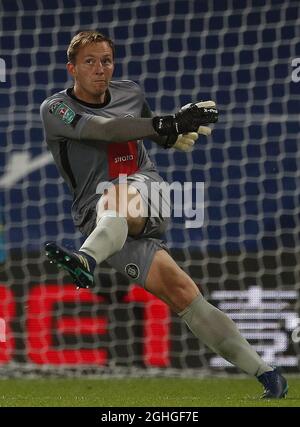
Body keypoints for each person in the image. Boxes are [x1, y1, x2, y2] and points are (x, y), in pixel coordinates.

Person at [40, 30, 288, 399]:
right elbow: (107, 130)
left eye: (106, 60)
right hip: (99, 219)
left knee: (119, 193)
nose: (100, 68)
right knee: (183, 293)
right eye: (90, 61)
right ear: (71, 68)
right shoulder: (56, 108)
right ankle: (268, 374)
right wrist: (165, 125)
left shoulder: (131, 91)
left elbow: (143, 131)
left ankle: (85, 260)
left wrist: (170, 132)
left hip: (146, 190)